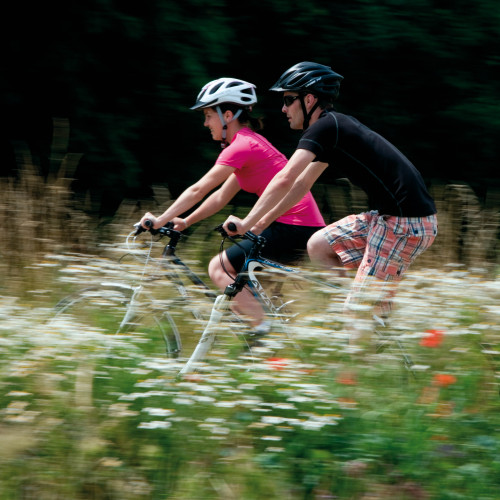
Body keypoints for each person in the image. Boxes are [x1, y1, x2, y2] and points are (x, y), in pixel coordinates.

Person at [223, 62, 438, 344]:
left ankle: (365, 329)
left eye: (288, 100)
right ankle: (365, 315)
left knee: (358, 311)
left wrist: (246, 222)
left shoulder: (325, 128)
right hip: (386, 218)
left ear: (308, 100)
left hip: (405, 224)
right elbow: (301, 185)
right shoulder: (333, 129)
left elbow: (286, 177)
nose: (284, 109)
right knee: (319, 245)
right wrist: (261, 224)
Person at [140, 77, 325, 333]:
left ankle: (263, 336)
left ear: (227, 115)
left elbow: (199, 189)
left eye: (208, 115)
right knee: (251, 294)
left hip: (291, 227)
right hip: (298, 228)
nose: (205, 123)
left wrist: (160, 219)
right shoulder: (250, 143)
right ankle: (272, 343)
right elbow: (220, 197)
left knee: (218, 267)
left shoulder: (241, 146)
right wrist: (185, 221)